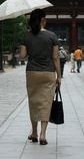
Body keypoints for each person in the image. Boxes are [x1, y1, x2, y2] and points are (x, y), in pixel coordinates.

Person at [20, 9, 61, 146]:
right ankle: (43, 135)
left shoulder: (27, 36)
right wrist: (59, 76)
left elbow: (22, 56)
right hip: (48, 72)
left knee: (34, 101)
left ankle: (34, 132)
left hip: (32, 72)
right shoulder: (52, 36)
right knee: (46, 102)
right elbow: (55, 58)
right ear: (43, 19)